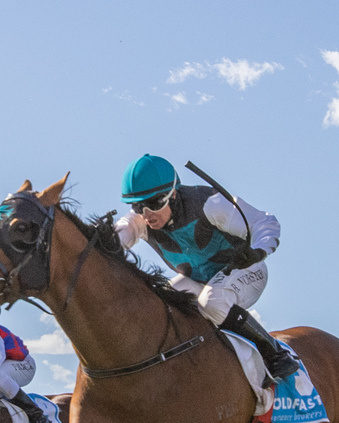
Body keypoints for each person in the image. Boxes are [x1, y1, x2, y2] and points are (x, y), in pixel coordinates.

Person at [117, 154, 299, 380]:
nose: (147, 215)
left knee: (212, 302)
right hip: (201, 281)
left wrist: (258, 251)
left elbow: (264, 222)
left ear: (173, 194)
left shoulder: (210, 204)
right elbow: (119, 236)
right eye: (138, 206)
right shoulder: (139, 220)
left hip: (246, 271)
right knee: (160, 303)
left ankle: (275, 352)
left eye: (154, 204)